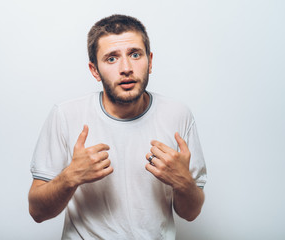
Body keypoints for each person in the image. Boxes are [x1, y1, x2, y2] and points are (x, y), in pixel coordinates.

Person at [29, 14, 207, 239]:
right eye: (111, 58)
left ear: (150, 61)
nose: (126, 68)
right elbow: (37, 212)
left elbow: (190, 213)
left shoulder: (178, 115)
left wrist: (184, 183)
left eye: (135, 54)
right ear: (95, 70)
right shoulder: (65, 115)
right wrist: (70, 177)